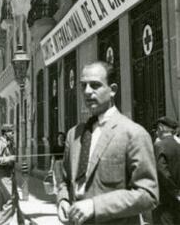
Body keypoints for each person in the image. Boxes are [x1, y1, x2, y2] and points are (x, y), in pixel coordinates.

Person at [57, 61, 158, 225]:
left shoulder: (133, 133)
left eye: (95, 85)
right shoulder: (74, 134)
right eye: (83, 86)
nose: (87, 91)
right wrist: (63, 200)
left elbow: (148, 194)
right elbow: (66, 181)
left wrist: (95, 206)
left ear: (113, 90)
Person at [0, 124, 24, 225]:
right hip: (3, 175)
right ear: (5, 133)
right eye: (11, 132)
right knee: (10, 201)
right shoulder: (0, 144)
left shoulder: (9, 143)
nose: (13, 134)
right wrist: (10, 158)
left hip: (8, 174)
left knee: (1, 202)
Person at [153, 116, 180, 225]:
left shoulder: (159, 145)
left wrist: (175, 192)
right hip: (177, 201)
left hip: (163, 202)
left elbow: (161, 171)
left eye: (157, 129)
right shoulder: (178, 146)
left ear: (161, 128)